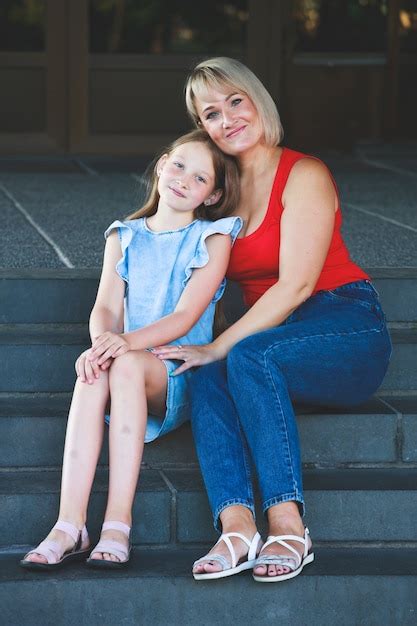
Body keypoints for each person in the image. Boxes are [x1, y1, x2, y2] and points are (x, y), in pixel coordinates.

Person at [152, 57, 392, 583]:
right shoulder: (219, 189)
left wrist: (219, 345)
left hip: (344, 324)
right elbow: (165, 241)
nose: (228, 118)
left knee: (239, 353)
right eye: (211, 113)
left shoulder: (304, 173)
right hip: (271, 338)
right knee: (206, 370)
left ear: (259, 100)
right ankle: (237, 527)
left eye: (236, 101)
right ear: (202, 126)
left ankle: (288, 524)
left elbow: (298, 285)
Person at [19, 129, 242, 570]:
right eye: (178, 165)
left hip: (177, 374)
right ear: (161, 164)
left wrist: (123, 345)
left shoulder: (212, 237)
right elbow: (105, 306)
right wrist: (103, 345)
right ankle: (69, 525)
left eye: (199, 178)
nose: (182, 179)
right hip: (128, 361)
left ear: (212, 195)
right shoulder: (124, 235)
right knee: (95, 371)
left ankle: (117, 523)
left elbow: (183, 318)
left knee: (120, 366)